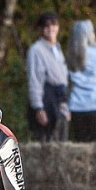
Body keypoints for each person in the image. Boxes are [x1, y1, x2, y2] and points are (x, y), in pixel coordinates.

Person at [26, 11, 70, 142]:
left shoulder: (57, 48)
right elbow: (35, 81)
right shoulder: (36, 50)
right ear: (41, 29)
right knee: (47, 142)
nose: (50, 28)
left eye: (53, 24)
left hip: (59, 100)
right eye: (46, 25)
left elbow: (62, 79)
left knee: (62, 142)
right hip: (46, 100)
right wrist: (39, 108)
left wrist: (65, 107)